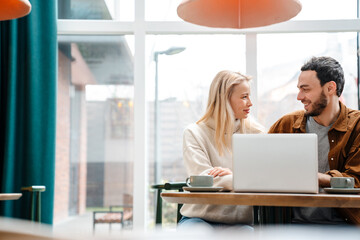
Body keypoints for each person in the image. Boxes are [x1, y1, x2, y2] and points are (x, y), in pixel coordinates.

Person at [268, 56, 360, 225]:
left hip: (346, 225)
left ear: (330, 88)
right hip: (291, 224)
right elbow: (262, 168)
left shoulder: (357, 126)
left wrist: (317, 178)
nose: (299, 97)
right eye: (299, 89)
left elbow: (356, 181)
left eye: (306, 89)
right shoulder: (286, 124)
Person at [178, 70, 264, 231]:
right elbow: (202, 180)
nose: (250, 103)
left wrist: (229, 177)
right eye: (244, 97)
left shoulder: (256, 133)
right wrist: (240, 179)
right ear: (224, 99)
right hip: (198, 218)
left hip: (241, 223)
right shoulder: (194, 133)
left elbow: (263, 180)